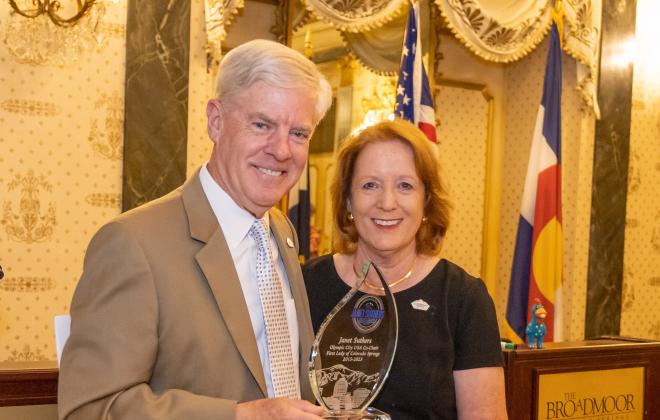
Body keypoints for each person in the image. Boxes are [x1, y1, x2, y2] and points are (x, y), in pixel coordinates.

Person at [58, 39, 333, 420]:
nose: (282, 150)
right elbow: (91, 409)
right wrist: (243, 416)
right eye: (262, 124)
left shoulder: (282, 232)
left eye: (299, 134)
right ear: (216, 121)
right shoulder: (134, 243)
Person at [304, 118, 508, 419]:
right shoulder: (306, 284)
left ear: (426, 201)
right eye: (370, 185)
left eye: (405, 185)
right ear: (348, 199)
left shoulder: (463, 298)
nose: (387, 202)